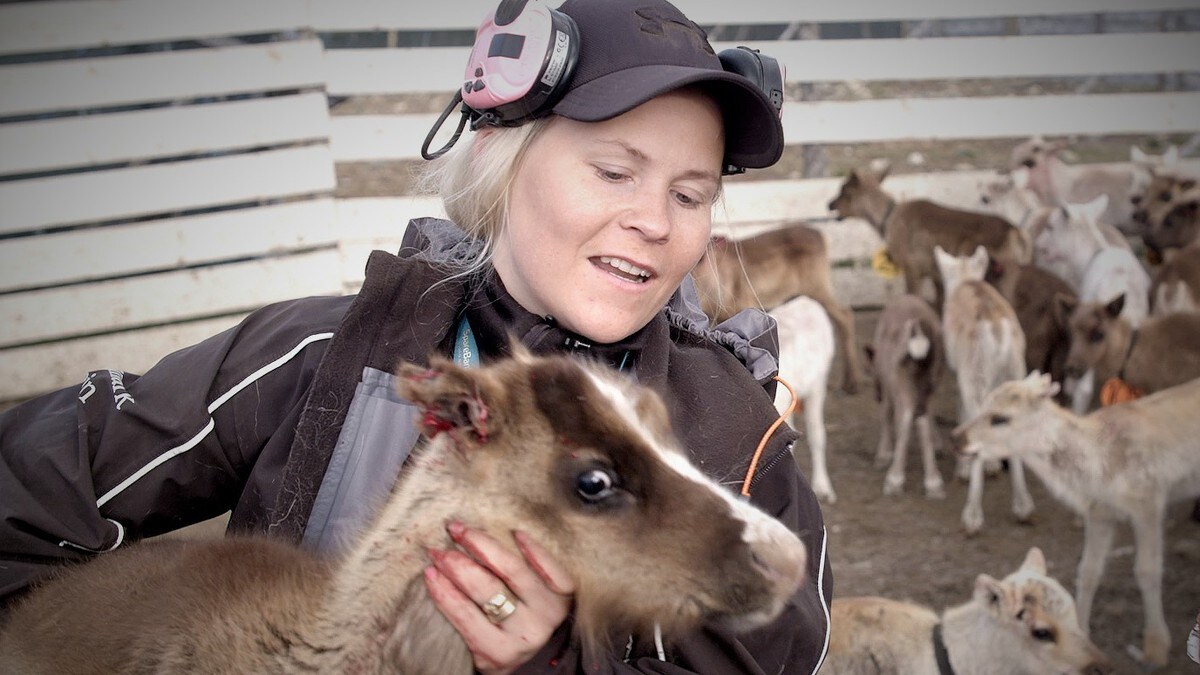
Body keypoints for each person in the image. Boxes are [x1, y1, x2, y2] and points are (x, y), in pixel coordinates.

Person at [0, 0, 832, 672]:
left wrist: (561, 661)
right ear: (498, 158)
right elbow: (33, 480)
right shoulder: (326, 356)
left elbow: (777, 654)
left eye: (691, 195)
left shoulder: (739, 437)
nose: (653, 220)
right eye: (615, 172)